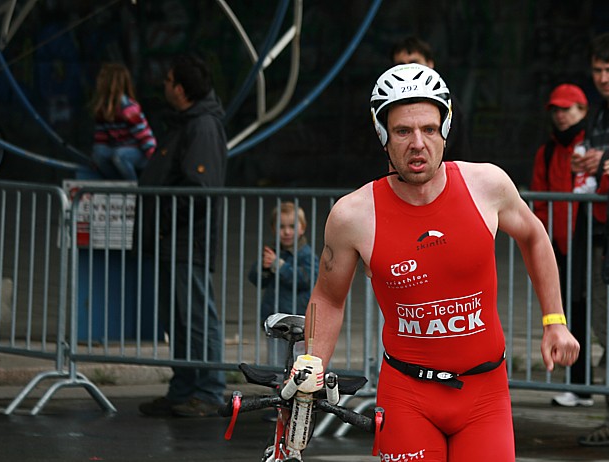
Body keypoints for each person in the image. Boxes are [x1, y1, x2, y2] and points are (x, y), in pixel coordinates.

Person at [304, 63, 580, 460]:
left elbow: (534, 236)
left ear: (445, 131)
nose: (418, 143)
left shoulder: (487, 185)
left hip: (485, 395)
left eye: (429, 129)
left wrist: (555, 321)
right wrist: (311, 364)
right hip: (406, 396)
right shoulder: (353, 215)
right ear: (383, 135)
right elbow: (329, 298)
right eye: (403, 131)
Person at [137, 54, 228, 418]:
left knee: (195, 317)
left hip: (186, 239)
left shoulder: (201, 126)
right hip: (175, 238)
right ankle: (185, 388)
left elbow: (198, 188)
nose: (164, 86)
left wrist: (165, 223)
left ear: (181, 88)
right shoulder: (189, 123)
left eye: (168, 80)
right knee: (178, 319)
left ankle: (207, 390)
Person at [530, 84, 599, 408]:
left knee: (592, 316)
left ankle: (582, 386)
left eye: (567, 109)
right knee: (570, 314)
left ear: (582, 111)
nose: (560, 116)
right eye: (556, 110)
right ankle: (578, 386)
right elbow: (540, 203)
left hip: (590, 243)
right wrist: (543, 243)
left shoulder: (594, 147)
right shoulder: (546, 151)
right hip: (560, 246)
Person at [578, 31, 609, 447]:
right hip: (601, 234)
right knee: (604, 324)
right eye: (598, 70)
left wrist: (607, 161)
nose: (604, 78)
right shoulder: (599, 116)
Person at [247, 202, 319, 366]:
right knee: (276, 364)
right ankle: (279, 382)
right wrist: (263, 267)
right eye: (281, 227)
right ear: (274, 229)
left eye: (292, 226)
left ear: (302, 228)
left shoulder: (306, 255)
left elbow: (307, 279)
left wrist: (280, 267)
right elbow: (256, 279)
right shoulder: (274, 253)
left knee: (298, 365)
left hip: (298, 322)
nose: (287, 232)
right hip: (276, 322)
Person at [391, 36, 472, 161]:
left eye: (414, 64)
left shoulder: (447, 103)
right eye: (401, 66)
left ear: (430, 64)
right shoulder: (386, 105)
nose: (408, 70)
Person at [91, 62, 157, 180]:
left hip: (136, 152)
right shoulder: (103, 109)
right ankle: (116, 182)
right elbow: (101, 138)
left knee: (120, 155)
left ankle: (132, 186)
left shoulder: (128, 108)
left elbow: (145, 136)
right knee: (99, 154)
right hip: (117, 149)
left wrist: (155, 160)